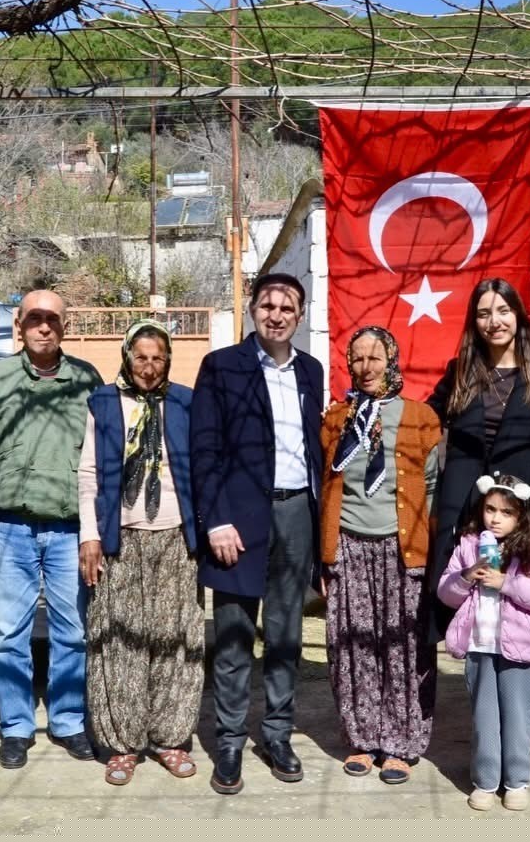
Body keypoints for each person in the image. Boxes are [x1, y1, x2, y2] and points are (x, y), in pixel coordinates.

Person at [425, 277, 530, 810]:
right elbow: (422, 422)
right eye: (482, 313)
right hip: (474, 527)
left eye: (502, 310)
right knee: (486, 644)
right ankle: (495, 768)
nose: (493, 320)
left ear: (519, 313)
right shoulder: (462, 374)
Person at [190, 271, 324, 795]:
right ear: (252, 310)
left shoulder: (311, 371)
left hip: (297, 516)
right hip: (238, 520)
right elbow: (205, 450)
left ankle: (277, 732)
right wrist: (215, 519)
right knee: (233, 636)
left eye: (287, 307)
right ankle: (228, 739)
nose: (276, 314)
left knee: (287, 634)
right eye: (267, 305)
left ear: (300, 315)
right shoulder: (222, 367)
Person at [0, 290, 103, 770]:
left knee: (73, 631)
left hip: (71, 528)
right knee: (9, 632)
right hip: (10, 527)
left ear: (66, 326)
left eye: (53, 319)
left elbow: (103, 454)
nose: (44, 327)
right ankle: (15, 726)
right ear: (19, 323)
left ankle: (69, 720)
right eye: (35, 318)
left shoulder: (86, 380)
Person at [78, 320, 204, 786]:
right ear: (127, 357)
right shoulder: (104, 404)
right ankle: (122, 744)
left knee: (176, 638)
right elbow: (89, 473)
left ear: (168, 361)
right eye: (141, 357)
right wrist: (89, 536)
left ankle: (171, 737)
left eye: (158, 358)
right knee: (118, 639)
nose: (149, 367)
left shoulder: (187, 403)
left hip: (175, 534)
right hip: (121, 537)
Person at [319, 325, 443, 785]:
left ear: (392, 361)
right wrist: (325, 558)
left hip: (402, 548)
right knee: (354, 646)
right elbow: (325, 490)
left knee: (404, 647)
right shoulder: (335, 421)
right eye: (358, 359)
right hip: (349, 546)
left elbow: (431, 488)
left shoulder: (421, 418)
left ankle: (402, 744)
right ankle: (363, 739)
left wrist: (429, 557)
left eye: (376, 358)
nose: (367, 367)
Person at [438, 473, 530, 812]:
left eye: (506, 512)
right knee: (484, 717)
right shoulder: (468, 543)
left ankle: (517, 780)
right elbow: (445, 593)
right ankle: (486, 780)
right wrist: (466, 577)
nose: (495, 518)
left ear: (521, 515)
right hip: (480, 644)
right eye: (490, 509)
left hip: (521, 648)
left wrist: (505, 582)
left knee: (519, 715)